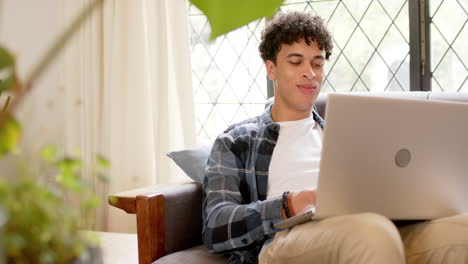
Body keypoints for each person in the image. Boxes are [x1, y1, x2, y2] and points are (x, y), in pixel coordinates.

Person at [202, 11, 468, 264]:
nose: (310, 72)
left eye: (317, 63)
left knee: (459, 230)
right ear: (271, 69)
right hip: (286, 240)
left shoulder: (346, 133)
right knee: (371, 233)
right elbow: (215, 224)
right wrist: (290, 204)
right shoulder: (237, 140)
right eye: (296, 62)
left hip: (369, 226)